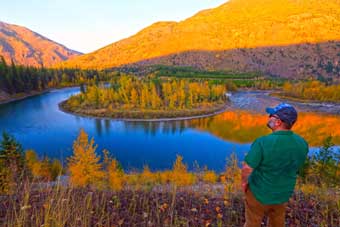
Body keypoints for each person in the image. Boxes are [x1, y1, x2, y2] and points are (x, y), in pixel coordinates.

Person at [242, 103, 309, 227]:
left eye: (271, 115)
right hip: (283, 194)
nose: (269, 117)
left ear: (278, 122)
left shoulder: (263, 142)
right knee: (277, 221)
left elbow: (247, 168)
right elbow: (296, 167)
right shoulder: (302, 143)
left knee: (252, 222)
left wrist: (244, 183)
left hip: (258, 193)